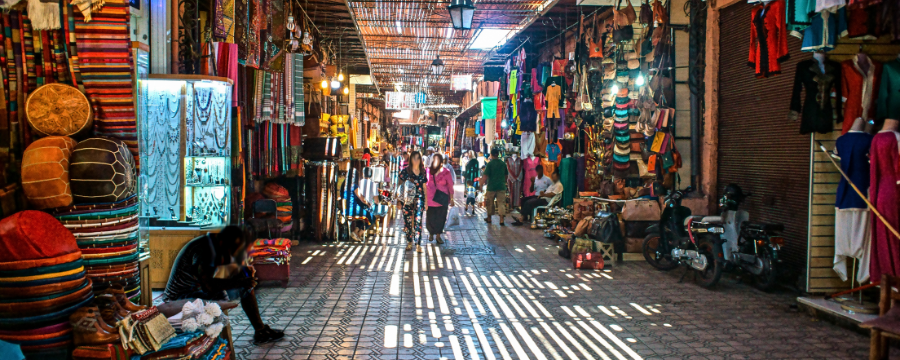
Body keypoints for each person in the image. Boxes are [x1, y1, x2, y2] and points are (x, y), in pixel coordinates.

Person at [162, 226, 284, 344]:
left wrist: (245, 272)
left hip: (194, 290)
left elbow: (229, 270)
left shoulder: (216, 245)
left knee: (242, 281)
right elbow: (208, 285)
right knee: (231, 289)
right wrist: (241, 281)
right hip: (179, 298)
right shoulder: (205, 249)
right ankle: (250, 332)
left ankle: (260, 330)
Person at [399, 151, 428, 253]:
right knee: (407, 222)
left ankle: (418, 244)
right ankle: (409, 242)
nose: (416, 160)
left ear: (420, 160)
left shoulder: (423, 172)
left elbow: (424, 187)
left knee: (418, 221)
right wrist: (399, 200)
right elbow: (400, 185)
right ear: (410, 159)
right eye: (414, 158)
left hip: (419, 199)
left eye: (418, 158)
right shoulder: (405, 171)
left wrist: (426, 202)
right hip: (407, 200)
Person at [426, 155, 454, 244]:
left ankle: (438, 235)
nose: (436, 161)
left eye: (438, 160)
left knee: (441, 218)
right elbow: (424, 184)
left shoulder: (446, 172)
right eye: (435, 159)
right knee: (430, 217)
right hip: (430, 199)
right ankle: (431, 233)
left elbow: (450, 185)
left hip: (442, 199)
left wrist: (452, 198)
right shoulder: (428, 171)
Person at [482, 148, 509, 225]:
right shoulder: (503, 163)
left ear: (491, 155)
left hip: (491, 187)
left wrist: (481, 184)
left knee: (490, 202)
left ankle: (489, 218)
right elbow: (506, 175)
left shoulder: (490, 164)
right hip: (501, 186)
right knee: (501, 203)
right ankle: (501, 220)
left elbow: (485, 175)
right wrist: (504, 182)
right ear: (498, 154)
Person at [352, 167, 379, 241]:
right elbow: (376, 200)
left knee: (361, 218)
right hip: (367, 207)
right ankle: (359, 234)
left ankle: (355, 231)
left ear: (363, 174)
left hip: (358, 207)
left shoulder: (359, 182)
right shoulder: (373, 184)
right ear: (371, 175)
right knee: (372, 219)